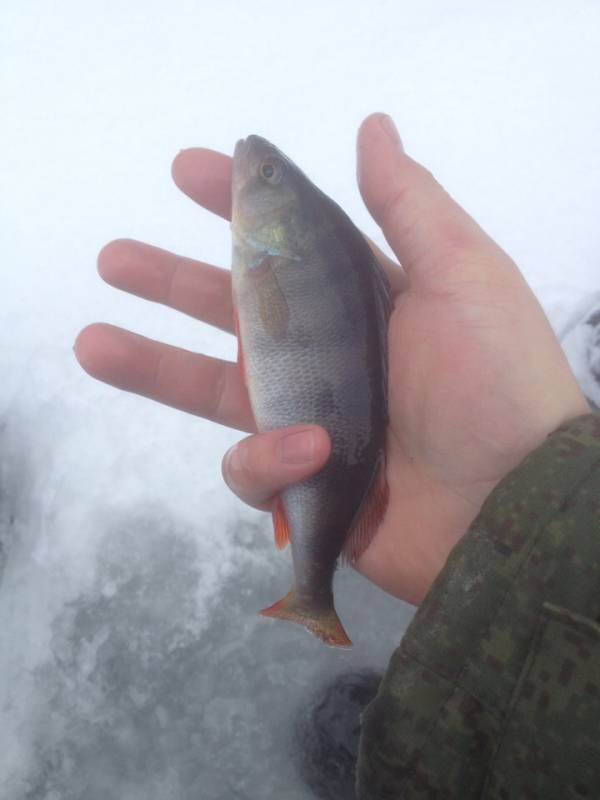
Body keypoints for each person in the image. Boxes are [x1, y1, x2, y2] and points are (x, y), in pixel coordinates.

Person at [75, 113, 599, 798]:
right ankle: (319, 602)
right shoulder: (279, 252)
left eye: (266, 178)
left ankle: (312, 595)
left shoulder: (286, 255)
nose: (251, 170)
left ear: (282, 221)